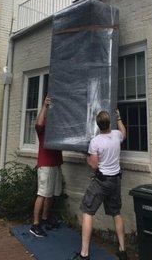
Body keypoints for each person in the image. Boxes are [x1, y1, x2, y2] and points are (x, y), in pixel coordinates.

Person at [69, 109, 128, 260]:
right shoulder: (116, 135)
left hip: (102, 182)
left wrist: (87, 159)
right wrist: (119, 118)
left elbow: (94, 166)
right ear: (110, 123)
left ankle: (84, 255)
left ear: (97, 125)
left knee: (87, 211)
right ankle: (122, 250)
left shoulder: (96, 141)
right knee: (116, 213)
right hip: (115, 181)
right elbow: (124, 133)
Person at [29, 96, 63, 237]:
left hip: (56, 164)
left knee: (51, 194)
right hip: (45, 164)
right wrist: (44, 106)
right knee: (42, 194)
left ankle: (45, 219)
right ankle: (35, 225)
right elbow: (38, 124)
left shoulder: (57, 128)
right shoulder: (43, 128)